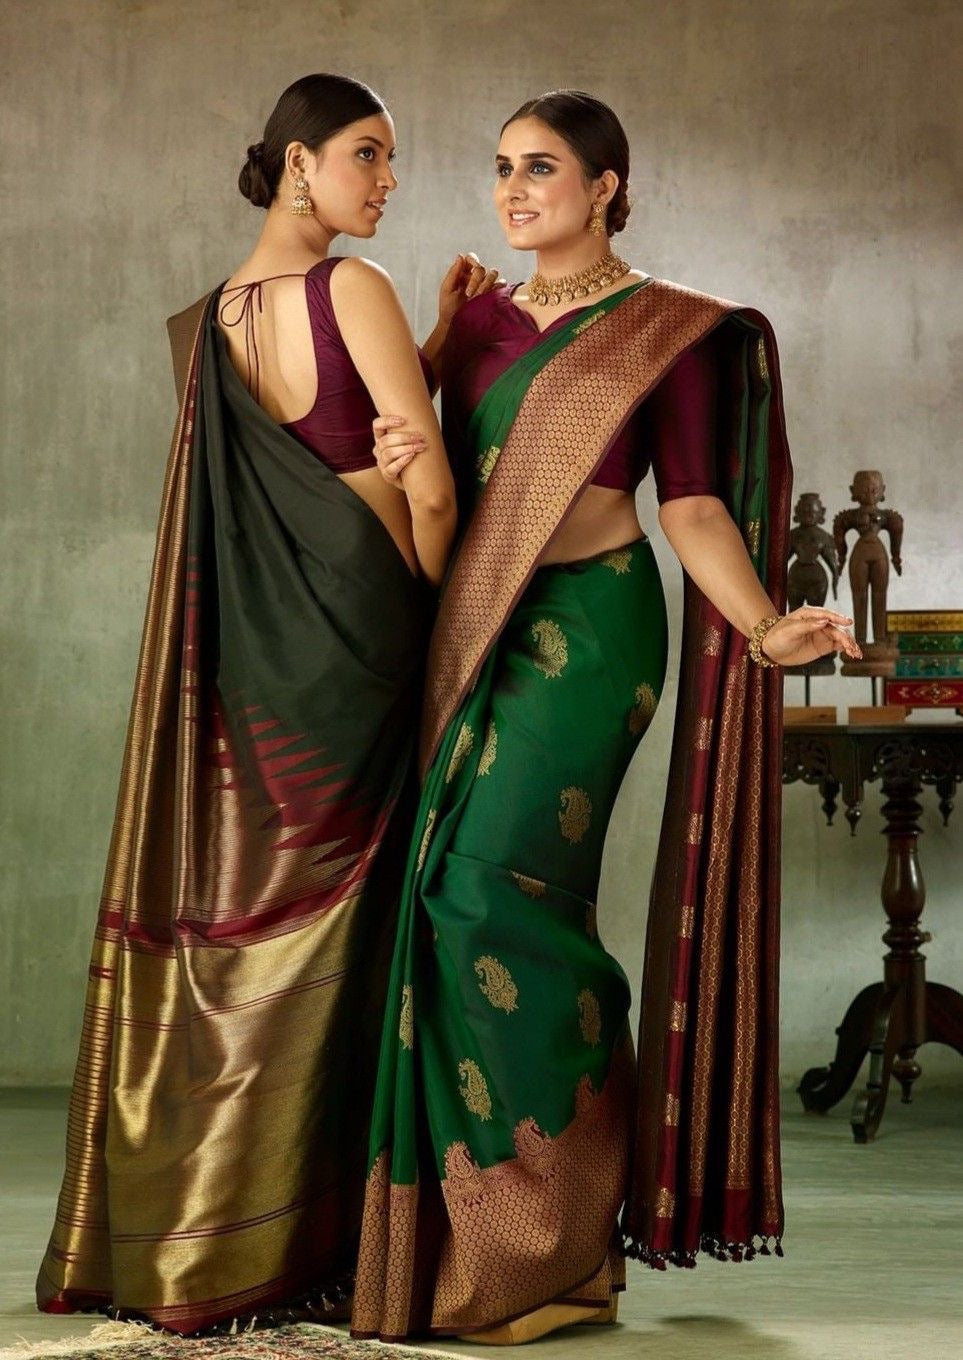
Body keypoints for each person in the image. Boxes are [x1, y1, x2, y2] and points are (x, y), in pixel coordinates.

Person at [351, 90, 862, 1343]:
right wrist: (433, 339)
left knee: (494, 893)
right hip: (474, 626)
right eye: (501, 168)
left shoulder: (665, 332)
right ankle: (521, 1245)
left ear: (607, 187)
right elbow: (429, 470)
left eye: (541, 168)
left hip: (591, 631)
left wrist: (763, 628)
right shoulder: (475, 324)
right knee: (440, 897)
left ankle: (560, 1229)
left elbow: (693, 508)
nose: (514, 190)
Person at [36, 73, 499, 1335]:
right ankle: (325, 1246)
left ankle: (207, 1238)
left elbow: (310, 442)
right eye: (368, 153)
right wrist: (438, 567)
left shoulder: (210, 323)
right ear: (301, 162)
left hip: (259, 671)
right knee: (354, 931)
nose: (388, 180)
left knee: (264, 921)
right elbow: (423, 495)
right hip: (362, 647)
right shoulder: (353, 288)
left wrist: (438, 343)